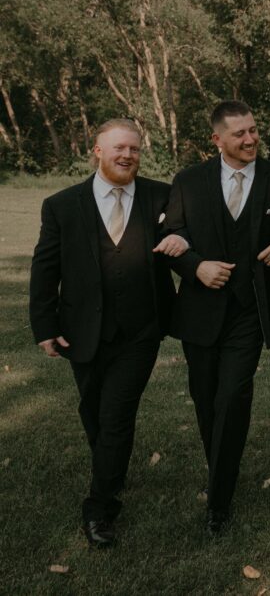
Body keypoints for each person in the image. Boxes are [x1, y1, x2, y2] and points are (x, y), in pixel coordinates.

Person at [29, 119, 184, 547]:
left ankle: (99, 508)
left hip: (141, 330)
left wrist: (184, 243)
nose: (127, 155)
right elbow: (45, 268)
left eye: (134, 149)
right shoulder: (61, 205)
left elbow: (183, 234)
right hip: (82, 329)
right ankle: (111, 469)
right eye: (119, 147)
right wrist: (45, 325)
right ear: (97, 150)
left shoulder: (161, 195)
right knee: (93, 410)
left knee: (116, 414)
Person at [163, 100, 270, 534]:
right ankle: (221, 467)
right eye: (240, 133)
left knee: (233, 396)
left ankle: (218, 500)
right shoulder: (188, 181)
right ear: (217, 139)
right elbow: (171, 236)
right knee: (206, 398)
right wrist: (196, 266)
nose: (250, 139)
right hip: (199, 311)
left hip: (250, 310)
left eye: (253, 130)